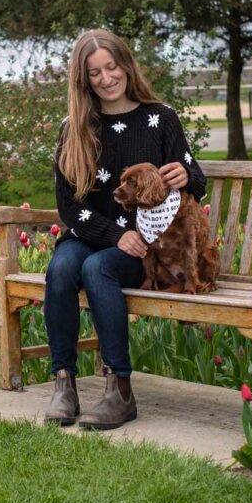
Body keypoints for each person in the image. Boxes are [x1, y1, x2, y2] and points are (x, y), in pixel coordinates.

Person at [45, 29, 207, 430]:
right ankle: (64, 382)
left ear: (126, 66)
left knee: (97, 268)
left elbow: (197, 182)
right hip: (92, 235)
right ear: (84, 80)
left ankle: (119, 389)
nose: (106, 78)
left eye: (111, 67)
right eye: (95, 72)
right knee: (62, 268)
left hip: (145, 248)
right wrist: (114, 234)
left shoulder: (160, 118)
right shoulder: (76, 128)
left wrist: (185, 173)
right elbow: (68, 206)